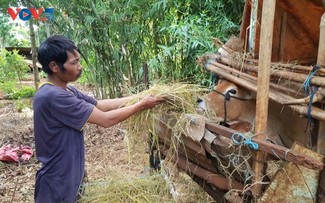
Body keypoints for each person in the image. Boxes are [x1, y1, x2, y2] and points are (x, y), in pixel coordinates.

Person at [33, 35, 164, 203]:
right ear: (54, 66)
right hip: (57, 183)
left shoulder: (67, 90)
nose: (79, 67)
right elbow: (105, 119)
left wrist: (140, 97)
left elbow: (100, 105)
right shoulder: (53, 96)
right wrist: (141, 105)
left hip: (68, 177)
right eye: (73, 63)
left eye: (79, 61)